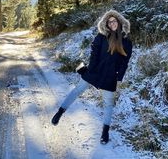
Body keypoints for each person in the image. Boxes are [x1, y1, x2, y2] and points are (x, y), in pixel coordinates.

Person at [51, 9, 133, 144]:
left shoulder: (127, 42)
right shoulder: (101, 37)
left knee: (108, 104)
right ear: (106, 25)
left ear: (119, 21)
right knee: (77, 90)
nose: (112, 23)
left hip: (110, 76)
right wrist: (89, 71)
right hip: (95, 71)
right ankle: (60, 112)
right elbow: (94, 56)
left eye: (114, 21)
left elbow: (125, 62)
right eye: (109, 22)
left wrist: (119, 77)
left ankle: (105, 132)